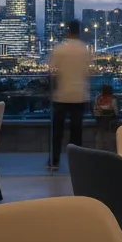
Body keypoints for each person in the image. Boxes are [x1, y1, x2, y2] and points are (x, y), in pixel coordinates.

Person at [47, 20, 91, 170]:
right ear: (79, 32)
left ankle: (54, 161)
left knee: (57, 131)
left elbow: (53, 70)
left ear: (68, 32)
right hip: (79, 94)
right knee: (76, 131)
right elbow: (87, 71)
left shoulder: (60, 49)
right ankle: (77, 162)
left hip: (62, 95)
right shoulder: (84, 49)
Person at [93, 84, 118, 151]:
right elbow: (115, 110)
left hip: (100, 118)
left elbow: (95, 109)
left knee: (100, 135)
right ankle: (109, 150)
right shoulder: (112, 99)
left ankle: (98, 149)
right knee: (108, 136)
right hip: (109, 119)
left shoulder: (98, 98)